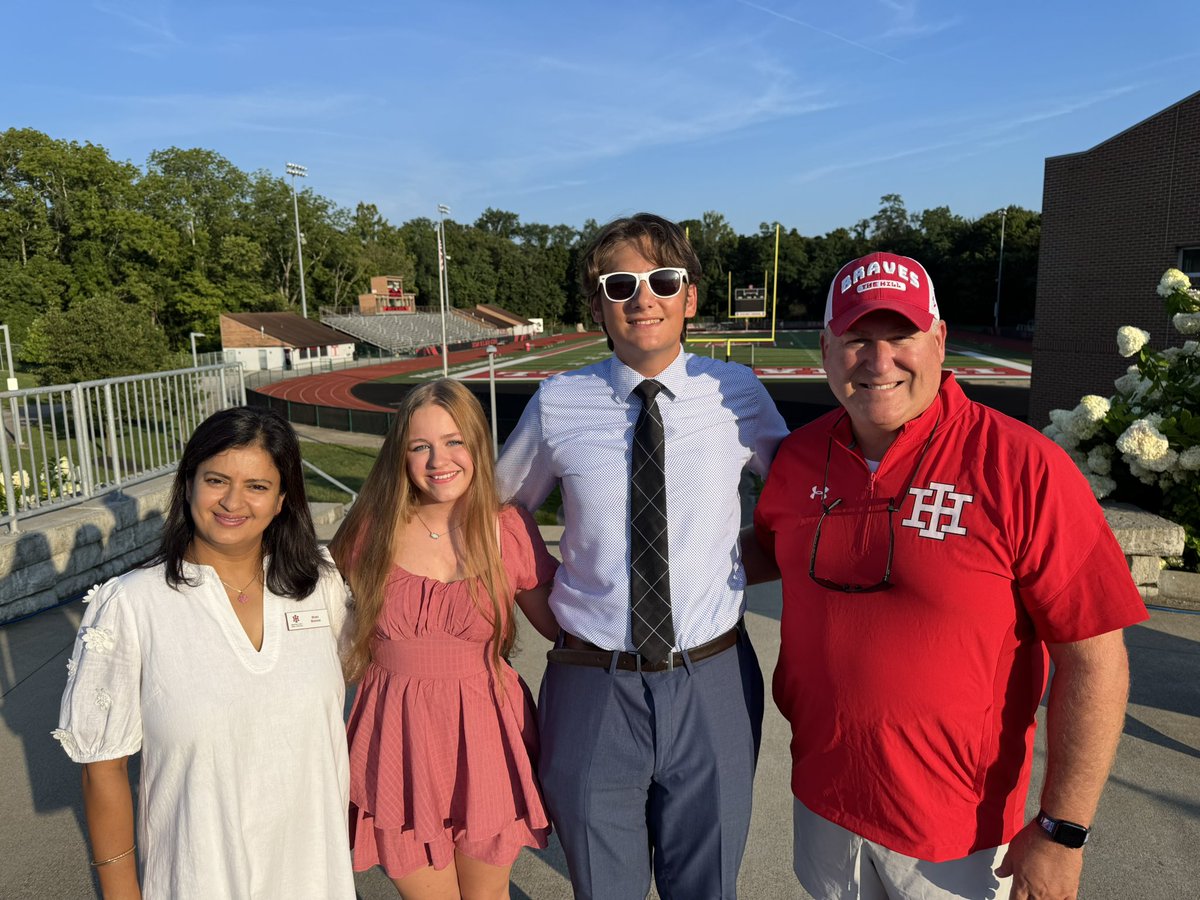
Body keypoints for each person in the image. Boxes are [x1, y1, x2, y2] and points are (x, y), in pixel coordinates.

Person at [754, 251, 1149, 900]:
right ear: (825, 349)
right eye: (856, 340)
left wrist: (1062, 831)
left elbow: (1095, 660)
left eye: (901, 335)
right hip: (823, 803)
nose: (879, 361)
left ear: (939, 340)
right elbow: (765, 549)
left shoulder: (1023, 466)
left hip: (958, 835)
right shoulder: (798, 457)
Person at [496, 212, 789, 899]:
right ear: (599, 304)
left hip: (713, 675)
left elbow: (802, 501)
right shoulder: (559, 402)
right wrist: (548, 605)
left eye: (663, 279)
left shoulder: (737, 393)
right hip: (592, 679)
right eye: (620, 284)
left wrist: (731, 562)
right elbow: (501, 512)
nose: (643, 297)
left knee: (706, 887)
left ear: (690, 296)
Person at [54, 406, 355, 899]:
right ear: (189, 484)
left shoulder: (320, 586)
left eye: (257, 486)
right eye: (216, 480)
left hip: (316, 880)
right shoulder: (133, 603)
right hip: (197, 880)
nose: (233, 501)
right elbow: (103, 768)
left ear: (282, 500)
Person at [328, 378, 559, 900]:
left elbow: (563, 625)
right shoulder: (369, 531)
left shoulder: (507, 529)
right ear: (401, 455)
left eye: (454, 441)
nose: (439, 461)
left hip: (486, 736)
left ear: (477, 444)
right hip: (396, 740)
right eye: (420, 446)